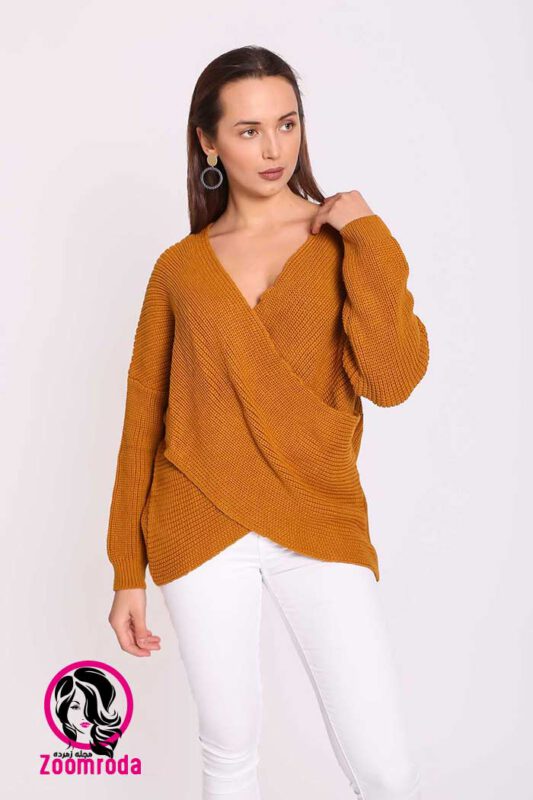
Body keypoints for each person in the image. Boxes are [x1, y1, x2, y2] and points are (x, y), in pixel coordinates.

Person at [106, 45, 429, 800]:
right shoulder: (180, 269)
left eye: (286, 124)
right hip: (198, 520)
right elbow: (141, 418)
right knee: (229, 748)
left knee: (384, 768)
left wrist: (369, 233)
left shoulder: (341, 240)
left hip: (317, 515)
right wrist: (126, 570)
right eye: (248, 130)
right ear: (208, 142)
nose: (273, 148)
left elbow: (392, 380)